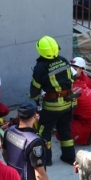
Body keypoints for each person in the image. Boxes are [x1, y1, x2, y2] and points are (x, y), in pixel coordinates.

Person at [30, 35, 76, 165]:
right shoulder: (64, 61)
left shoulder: (40, 67)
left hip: (52, 106)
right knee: (65, 130)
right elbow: (71, 79)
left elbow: (35, 89)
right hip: (67, 102)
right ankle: (69, 156)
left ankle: (46, 159)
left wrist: (34, 104)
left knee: (43, 131)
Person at [69, 57, 91, 145]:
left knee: (63, 133)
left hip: (89, 115)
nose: (71, 70)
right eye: (71, 67)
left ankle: (88, 136)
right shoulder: (80, 81)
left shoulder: (83, 82)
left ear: (81, 69)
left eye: (75, 68)